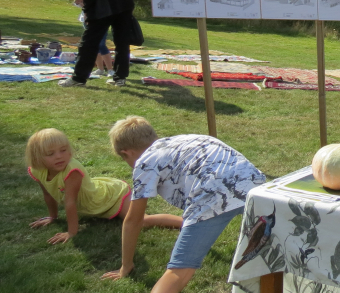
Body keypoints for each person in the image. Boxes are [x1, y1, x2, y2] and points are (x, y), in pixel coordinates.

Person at [102, 116, 266, 293]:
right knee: (272, 244)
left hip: (211, 196)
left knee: (179, 271)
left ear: (126, 153)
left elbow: (133, 220)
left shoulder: (145, 162)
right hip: (254, 183)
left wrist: (126, 265)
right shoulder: (189, 138)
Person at [25, 128, 181, 245]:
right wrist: (53, 217)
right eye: (50, 154)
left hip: (112, 198)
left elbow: (70, 201)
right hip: (95, 200)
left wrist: (72, 232)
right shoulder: (36, 170)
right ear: (37, 157)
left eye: (63, 150)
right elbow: (47, 194)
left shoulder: (72, 171)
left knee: (142, 221)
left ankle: (187, 223)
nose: (59, 156)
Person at [74, 0, 114, 77]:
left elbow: (100, 4)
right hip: (87, 18)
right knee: (93, 44)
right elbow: (81, 4)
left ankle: (110, 69)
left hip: (101, 18)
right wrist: (78, 2)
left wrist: (85, 4)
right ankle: (100, 69)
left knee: (101, 44)